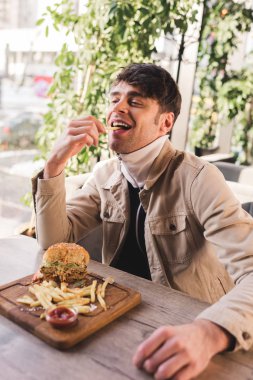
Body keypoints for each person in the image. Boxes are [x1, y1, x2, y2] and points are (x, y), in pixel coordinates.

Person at [32, 63, 253, 380]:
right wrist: (54, 165)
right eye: (114, 99)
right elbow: (55, 243)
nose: (117, 108)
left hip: (191, 328)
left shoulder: (199, 179)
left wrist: (208, 332)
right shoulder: (105, 174)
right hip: (116, 316)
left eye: (135, 101)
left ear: (165, 122)